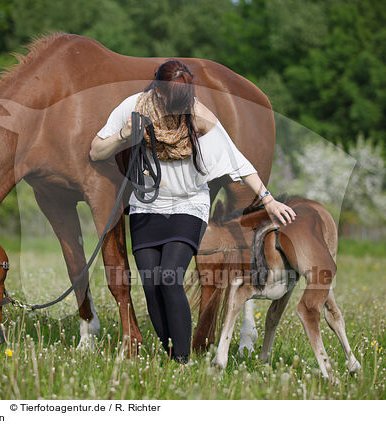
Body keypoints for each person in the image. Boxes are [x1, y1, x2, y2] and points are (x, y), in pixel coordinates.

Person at [89, 60, 296, 363]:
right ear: (156, 91)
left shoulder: (199, 116)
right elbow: (96, 151)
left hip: (188, 206)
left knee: (169, 276)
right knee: (151, 283)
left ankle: (181, 362)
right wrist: (124, 134)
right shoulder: (134, 108)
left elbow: (236, 161)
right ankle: (171, 351)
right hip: (147, 206)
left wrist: (268, 199)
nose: (174, 112)